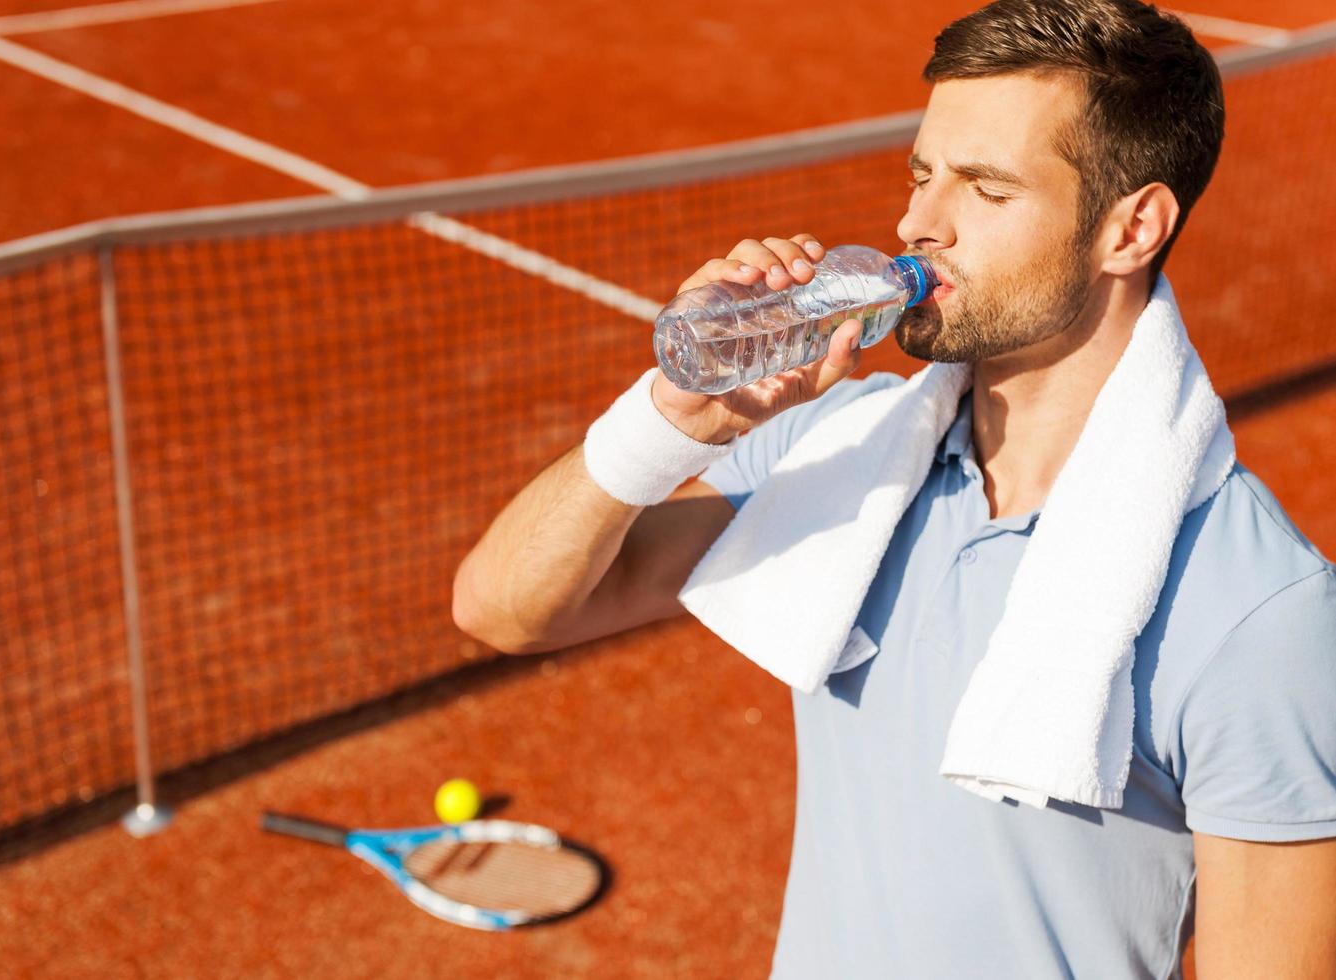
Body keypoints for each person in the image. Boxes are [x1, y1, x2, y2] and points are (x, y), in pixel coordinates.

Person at [452, 0, 1336, 975]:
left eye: (984, 189)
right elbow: (504, 610)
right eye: (922, 174)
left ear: (1131, 229)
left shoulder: (1259, 612)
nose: (918, 222)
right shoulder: (836, 452)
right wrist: (669, 416)